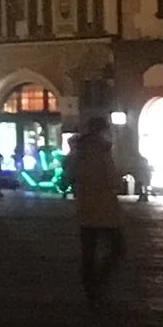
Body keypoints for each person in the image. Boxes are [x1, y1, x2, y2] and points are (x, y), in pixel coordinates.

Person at [68, 122, 125, 301]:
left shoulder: (78, 152)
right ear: (103, 131)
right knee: (117, 248)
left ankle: (90, 285)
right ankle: (99, 282)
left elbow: (70, 175)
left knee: (88, 250)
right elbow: (113, 179)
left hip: (85, 207)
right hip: (104, 207)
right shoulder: (103, 150)